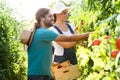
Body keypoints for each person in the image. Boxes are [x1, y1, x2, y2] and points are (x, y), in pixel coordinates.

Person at [27, 8, 90, 80]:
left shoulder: (38, 32)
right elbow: (68, 39)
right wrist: (89, 35)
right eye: (50, 16)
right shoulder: (44, 32)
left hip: (39, 73)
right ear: (42, 18)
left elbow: (39, 54)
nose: (52, 18)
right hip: (39, 76)